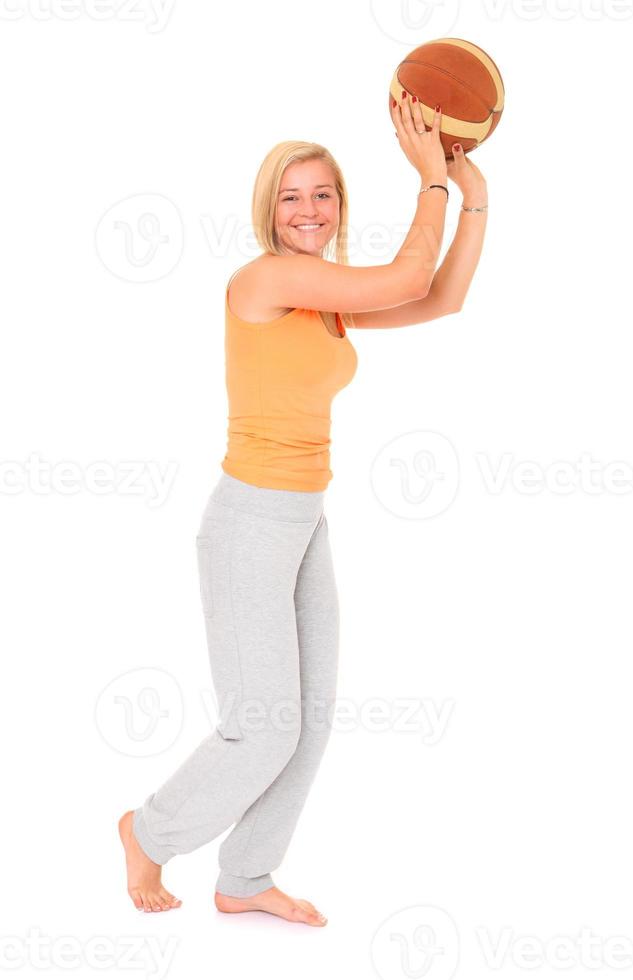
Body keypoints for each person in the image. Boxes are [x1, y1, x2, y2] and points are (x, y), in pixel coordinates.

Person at [118, 94, 488, 927]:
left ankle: (245, 879)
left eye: (324, 194)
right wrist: (429, 179)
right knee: (263, 725)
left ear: (339, 207)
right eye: (292, 195)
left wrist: (473, 196)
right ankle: (147, 830)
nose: (310, 209)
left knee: (310, 721)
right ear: (268, 210)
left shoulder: (325, 298)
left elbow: (441, 297)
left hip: (304, 521)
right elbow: (408, 276)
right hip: (250, 521)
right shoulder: (266, 278)